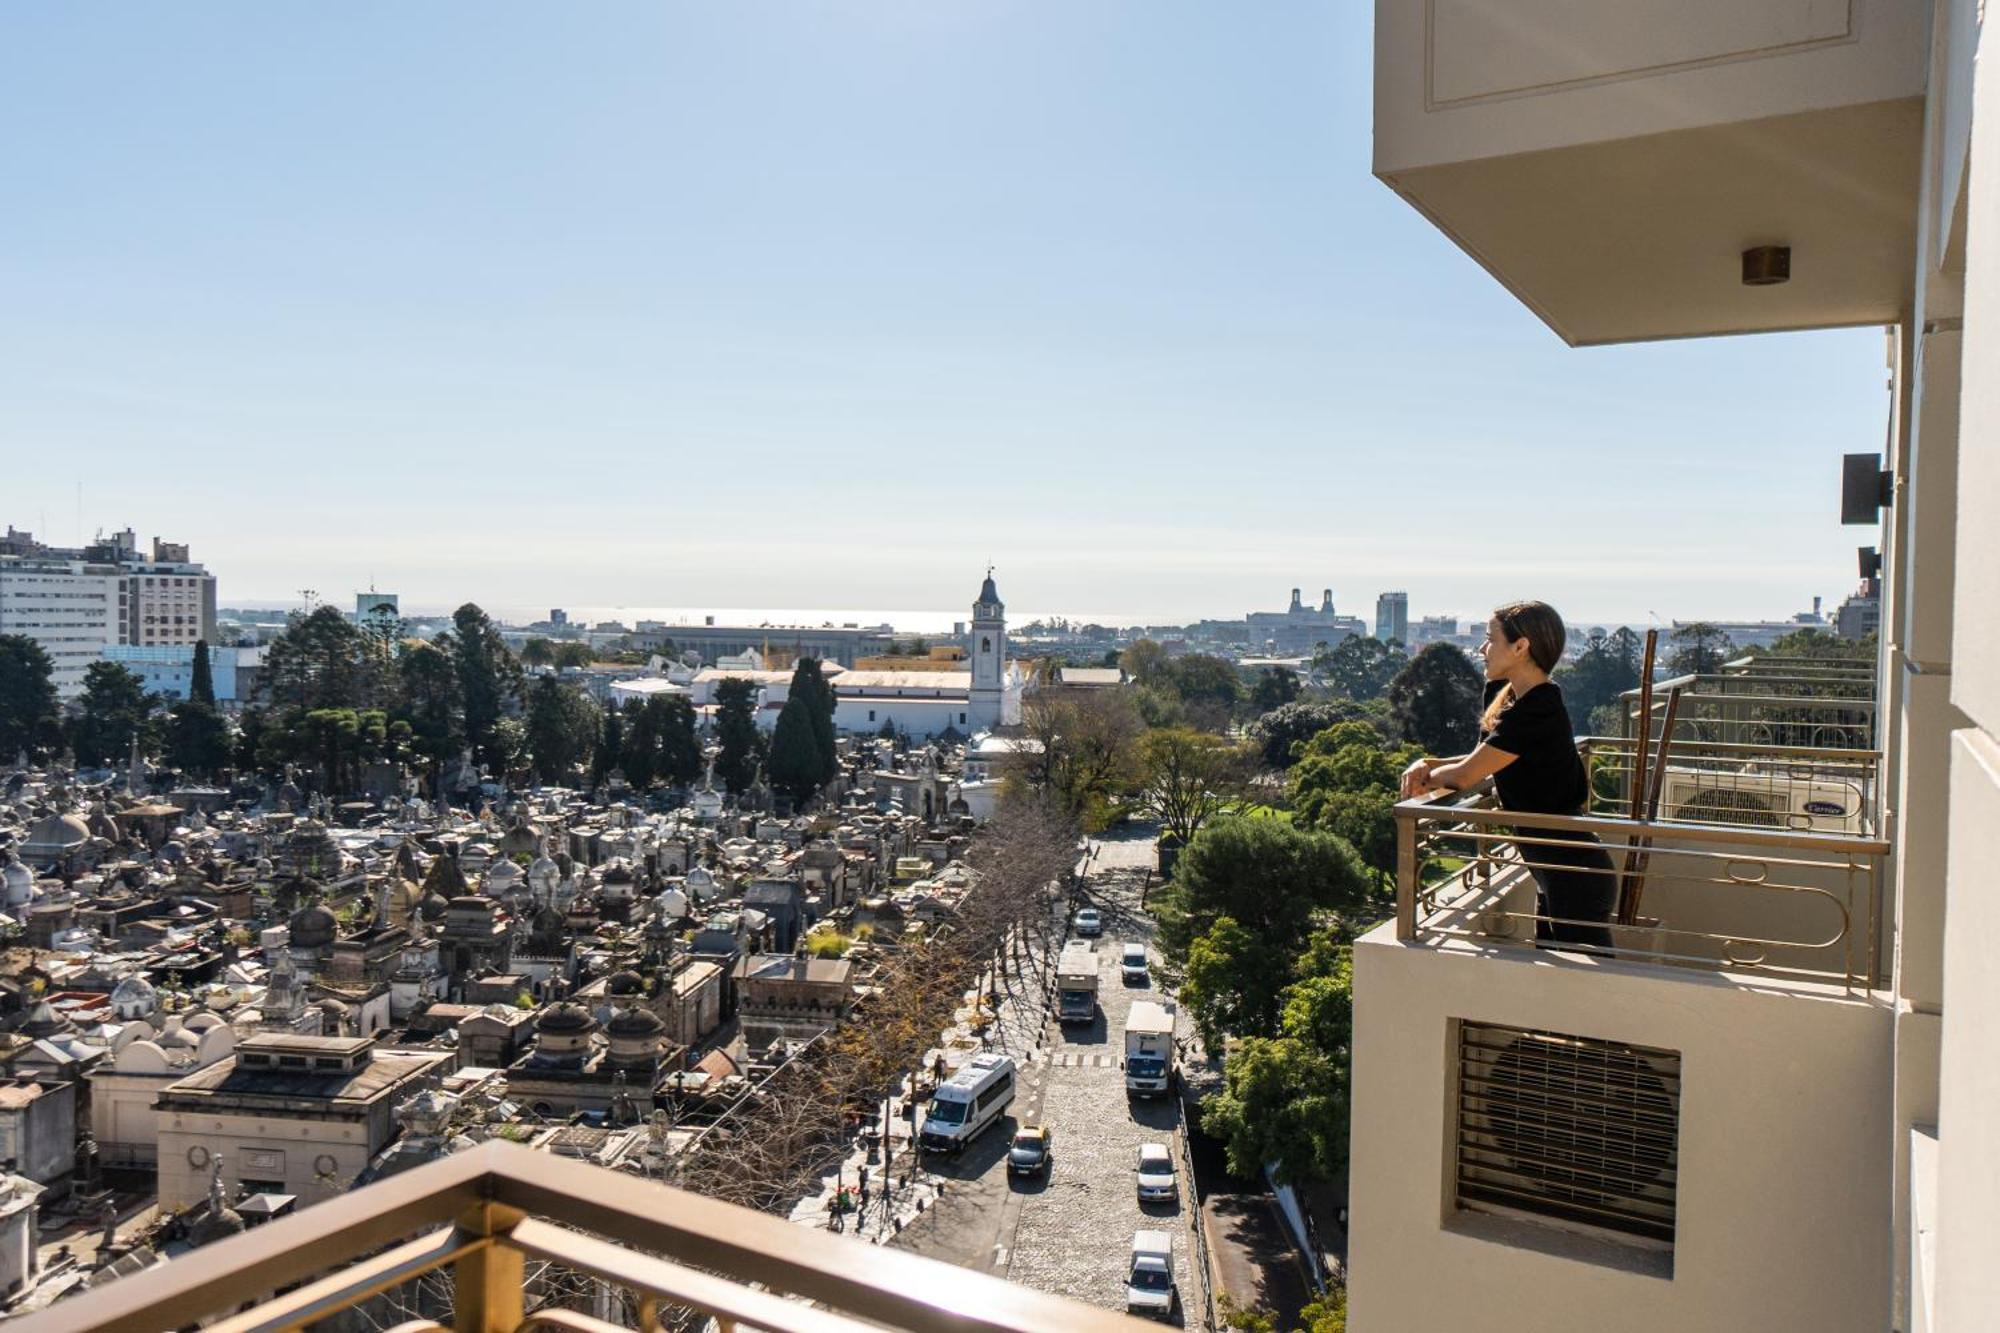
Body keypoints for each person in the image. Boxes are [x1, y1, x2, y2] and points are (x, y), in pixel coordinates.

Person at [1399, 601, 1617, 950]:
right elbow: (1481, 759)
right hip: (1554, 868)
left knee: (1588, 989)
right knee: (1562, 980)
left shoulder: (1538, 707)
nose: (1482, 649)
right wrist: (1427, 763)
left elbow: (1467, 775)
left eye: (1490, 639)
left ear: (1520, 647)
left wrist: (1430, 773)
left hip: (1574, 873)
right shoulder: (1512, 699)